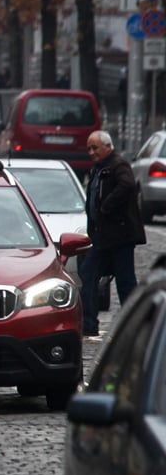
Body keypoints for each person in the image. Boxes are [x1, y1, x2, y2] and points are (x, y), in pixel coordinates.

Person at [79, 130, 146, 337]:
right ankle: (89, 323)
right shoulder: (98, 169)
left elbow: (127, 186)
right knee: (88, 275)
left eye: (95, 148)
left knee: (125, 282)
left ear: (108, 147)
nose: (91, 152)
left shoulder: (118, 165)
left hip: (119, 237)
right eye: (89, 148)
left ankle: (135, 326)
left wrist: (107, 206)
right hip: (102, 238)